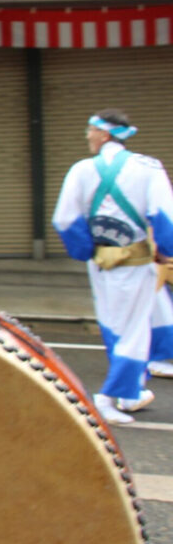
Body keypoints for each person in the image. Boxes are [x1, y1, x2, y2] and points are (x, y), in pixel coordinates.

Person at [53, 108, 173, 424]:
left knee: (114, 326)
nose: (87, 137)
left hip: (100, 263)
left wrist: (85, 250)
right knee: (133, 332)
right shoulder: (149, 168)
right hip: (135, 261)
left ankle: (130, 392)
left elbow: (64, 218)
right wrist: (166, 250)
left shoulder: (81, 170)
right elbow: (165, 216)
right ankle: (108, 397)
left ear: (104, 133)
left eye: (89, 131)